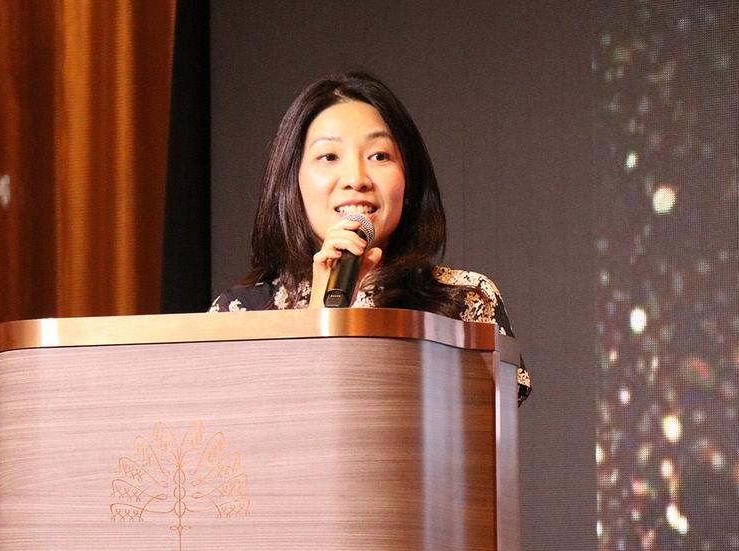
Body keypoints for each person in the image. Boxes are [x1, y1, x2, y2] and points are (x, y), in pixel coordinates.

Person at [209, 71, 530, 404]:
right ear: (293, 182)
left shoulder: (466, 299)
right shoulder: (241, 314)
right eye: (329, 157)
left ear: (409, 180)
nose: (356, 178)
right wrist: (321, 314)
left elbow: (492, 424)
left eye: (379, 156)